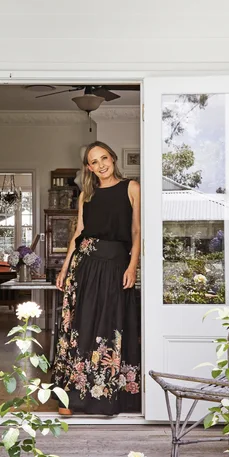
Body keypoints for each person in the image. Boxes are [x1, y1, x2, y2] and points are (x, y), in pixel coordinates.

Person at [52, 141, 141, 415]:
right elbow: (78, 234)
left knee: (109, 327)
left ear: (113, 158)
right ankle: (72, 395)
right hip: (86, 266)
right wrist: (65, 269)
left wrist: (132, 266)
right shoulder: (86, 196)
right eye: (94, 161)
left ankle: (105, 397)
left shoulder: (132, 188)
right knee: (83, 327)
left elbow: (137, 231)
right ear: (88, 167)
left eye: (104, 158)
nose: (101, 165)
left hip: (115, 265)